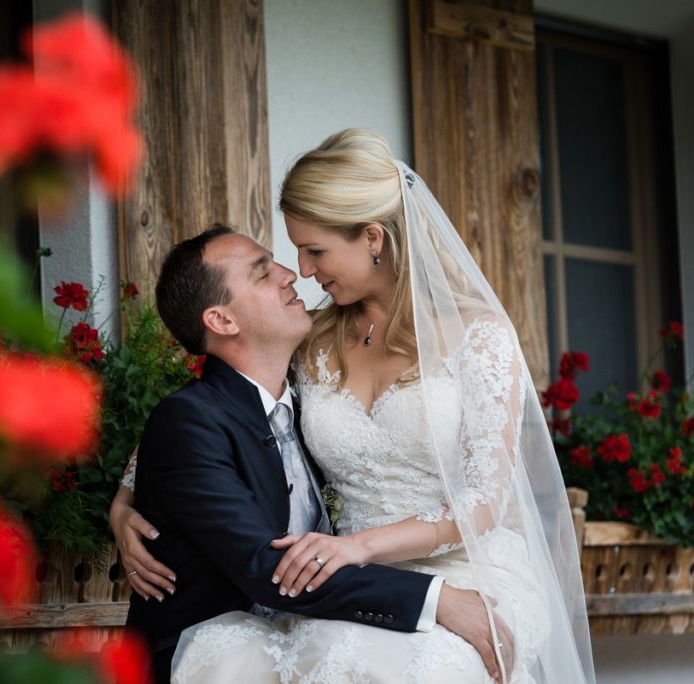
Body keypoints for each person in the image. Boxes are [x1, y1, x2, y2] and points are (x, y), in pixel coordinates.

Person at [113, 130, 595, 683]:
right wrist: (125, 504)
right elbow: (207, 412)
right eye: (294, 252)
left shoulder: (478, 337)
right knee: (319, 655)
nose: (303, 269)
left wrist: (360, 547)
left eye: (315, 250)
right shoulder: (310, 339)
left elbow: (484, 500)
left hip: (467, 565)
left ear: (372, 238)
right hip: (345, 575)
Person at [118, 223, 513, 684]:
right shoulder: (188, 422)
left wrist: (124, 497)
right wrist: (436, 599)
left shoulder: (312, 397)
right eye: (262, 273)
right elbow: (269, 569)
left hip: (315, 622)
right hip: (213, 647)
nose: (291, 273)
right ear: (222, 321)